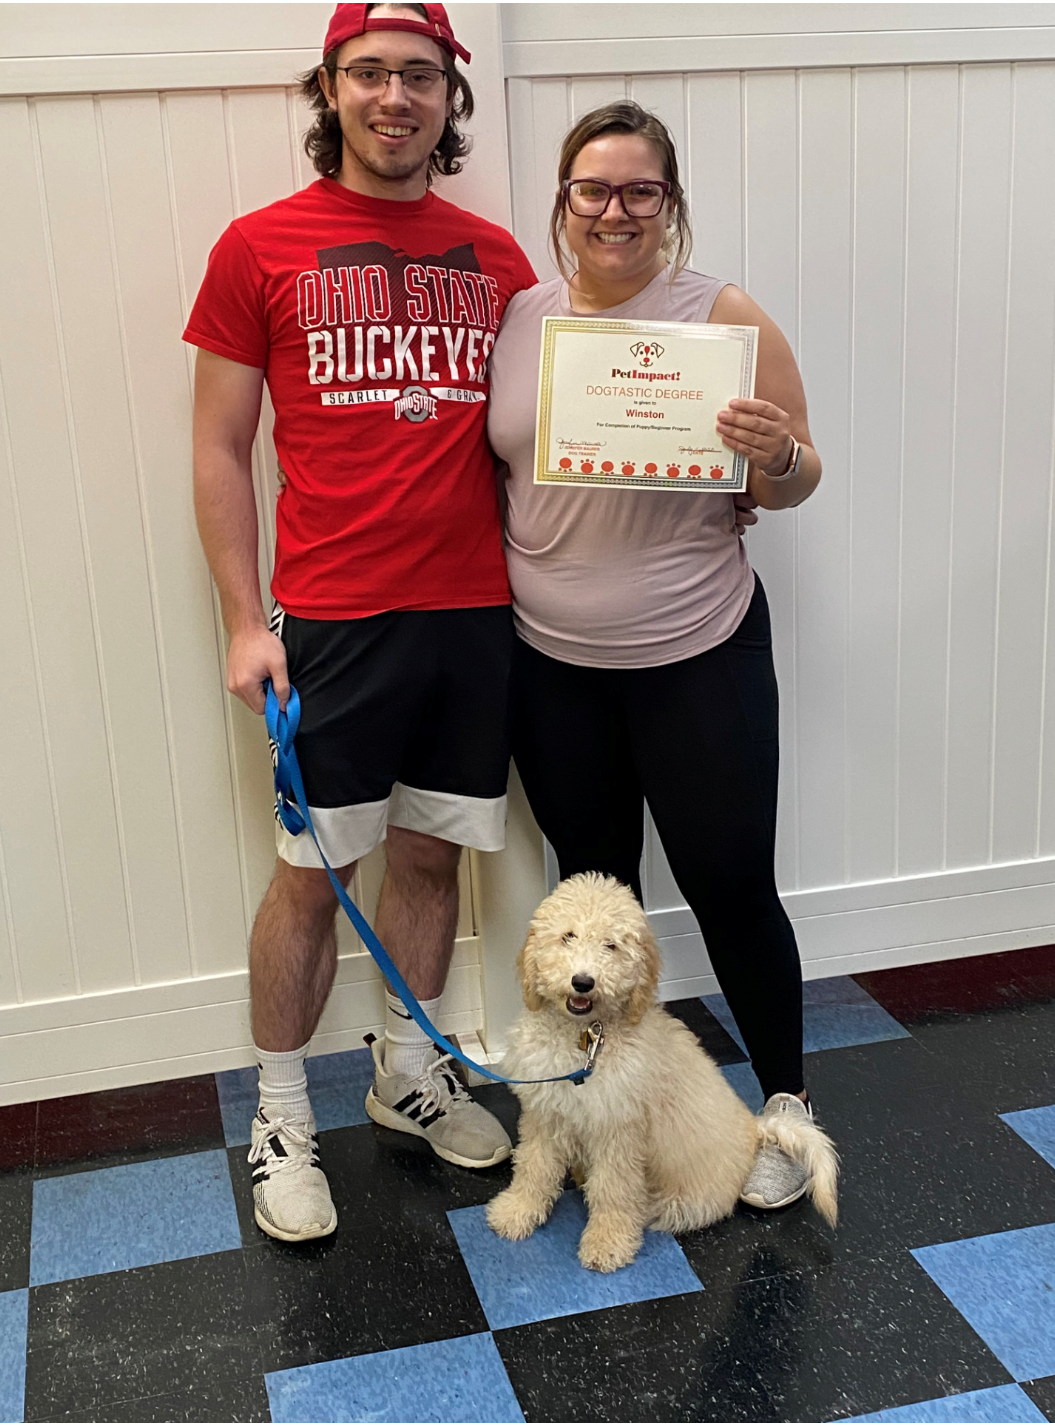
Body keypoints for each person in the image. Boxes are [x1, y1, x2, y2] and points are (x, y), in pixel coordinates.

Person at [185, 1, 536, 1243]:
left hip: (474, 616)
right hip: (331, 621)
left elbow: (547, 429)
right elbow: (221, 447)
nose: (396, 96)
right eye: (370, 73)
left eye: (421, 76)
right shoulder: (257, 247)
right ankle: (281, 1113)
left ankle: (405, 1070)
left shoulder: (497, 259)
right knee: (310, 878)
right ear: (329, 90)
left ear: (451, 99)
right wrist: (243, 619)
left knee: (433, 855)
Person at [487, 100, 824, 1214]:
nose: (615, 210)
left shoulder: (718, 316)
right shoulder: (521, 318)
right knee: (595, 907)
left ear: (666, 205)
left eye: (640, 191)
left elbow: (793, 478)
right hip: (551, 668)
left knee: (730, 887)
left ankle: (783, 1109)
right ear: (563, 201)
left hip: (697, 654)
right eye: (594, 189)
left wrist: (775, 457)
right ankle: (600, 1114)